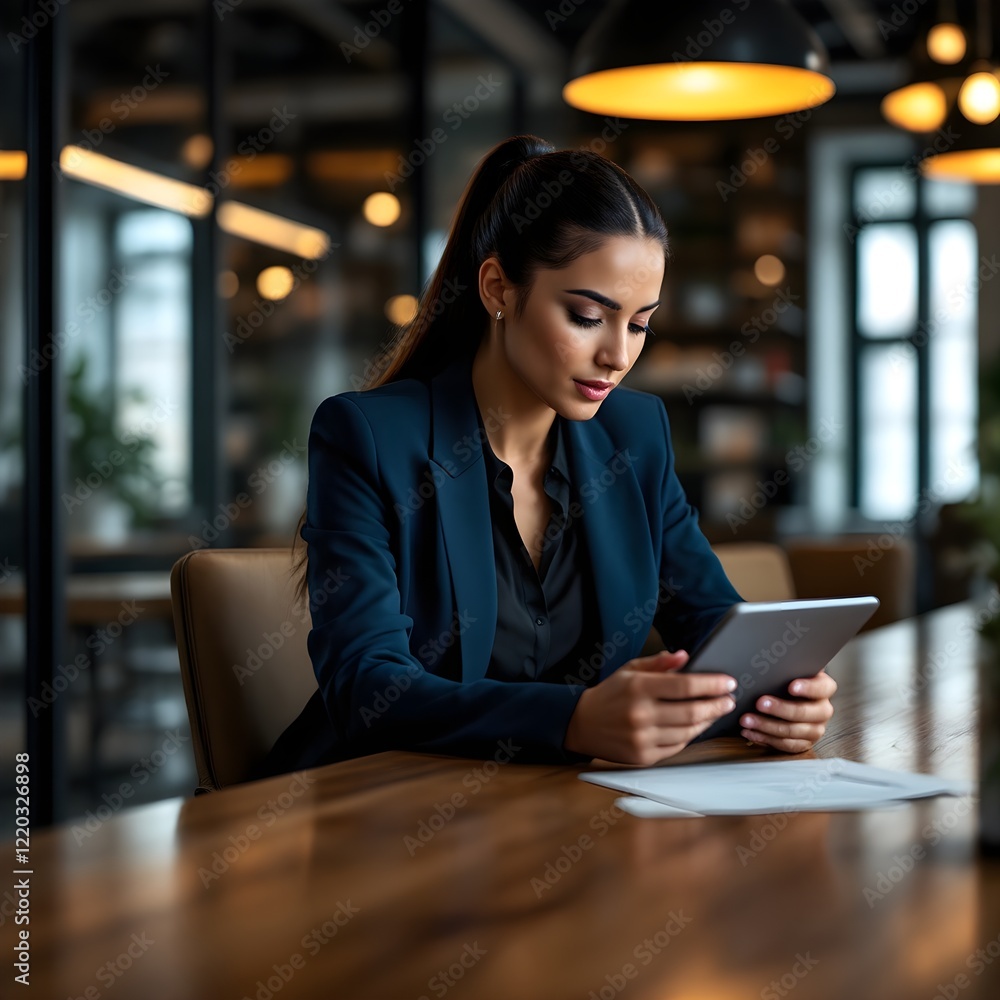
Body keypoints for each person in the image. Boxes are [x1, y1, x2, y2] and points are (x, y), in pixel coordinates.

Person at [257, 134, 836, 779]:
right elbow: (367, 689)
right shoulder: (366, 435)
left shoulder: (635, 437)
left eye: (640, 323)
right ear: (499, 288)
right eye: (589, 316)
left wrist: (779, 695)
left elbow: (715, 628)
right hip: (371, 815)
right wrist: (574, 719)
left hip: (544, 813)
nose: (618, 355)